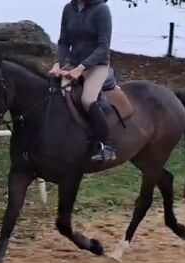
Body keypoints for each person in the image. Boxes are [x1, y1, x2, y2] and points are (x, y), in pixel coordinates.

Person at [49, 0, 116, 162]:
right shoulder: (69, 8)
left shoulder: (102, 10)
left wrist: (81, 68)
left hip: (96, 65)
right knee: (55, 92)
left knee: (87, 99)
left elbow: (103, 47)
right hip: (73, 63)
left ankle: (106, 145)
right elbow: (64, 41)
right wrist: (58, 63)